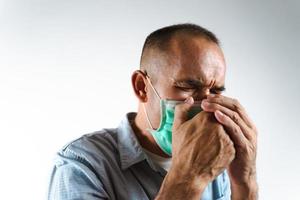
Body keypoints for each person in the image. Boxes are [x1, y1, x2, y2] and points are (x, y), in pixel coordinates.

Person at [48, 23, 258, 200]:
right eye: (187, 87)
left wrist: (245, 181)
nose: (205, 104)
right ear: (142, 87)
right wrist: (188, 178)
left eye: (215, 91)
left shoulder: (217, 160)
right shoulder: (82, 164)